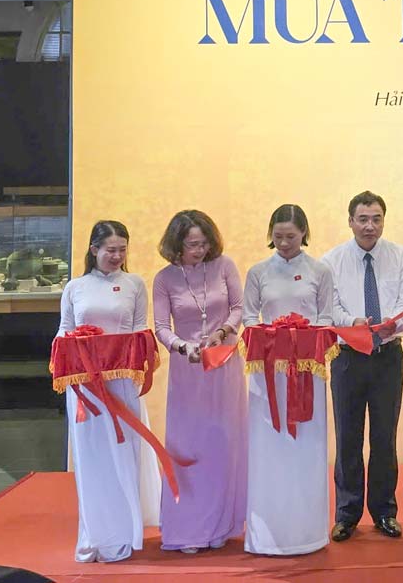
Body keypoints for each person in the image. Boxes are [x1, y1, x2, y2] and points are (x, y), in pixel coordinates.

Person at [56, 220, 160, 563]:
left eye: (122, 250)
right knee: (91, 457)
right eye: (110, 250)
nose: (117, 256)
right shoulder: (75, 287)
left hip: (121, 383)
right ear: (94, 250)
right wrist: (75, 349)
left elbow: (140, 332)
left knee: (123, 452)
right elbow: (63, 331)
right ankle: (95, 533)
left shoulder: (134, 284)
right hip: (84, 388)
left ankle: (125, 532)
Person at [241, 204, 335, 556]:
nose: (283, 243)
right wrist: (274, 334)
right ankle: (267, 534)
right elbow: (249, 319)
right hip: (267, 374)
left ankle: (307, 531)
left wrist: (300, 335)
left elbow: (326, 320)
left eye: (291, 237)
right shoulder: (258, 272)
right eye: (278, 236)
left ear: (304, 233)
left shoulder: (319, 271)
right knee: (269, 447)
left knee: (306, 446)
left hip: (307, 373)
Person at [151, 210, 246, 553]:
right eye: (192, 244)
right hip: (188, 370)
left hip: (223, 364)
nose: (199, 250)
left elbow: (239, 307)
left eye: (204, 243)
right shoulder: (164, 279)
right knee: (188, 446)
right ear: (176, 244)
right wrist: (182, 346)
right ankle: (188, 528)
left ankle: (221, 525)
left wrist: (223, 331)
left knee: (223, 443)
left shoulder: (225, 266)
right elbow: (162, 327)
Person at [320, 191, 403, 543]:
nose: (369, 226)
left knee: (384, 437)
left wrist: (394, 323)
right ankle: (346, 514)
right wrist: (353, 323)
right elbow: (330, 307)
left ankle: (385, 512)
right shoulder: (331, 261)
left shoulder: (400, 257)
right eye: (363, 219)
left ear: (383, 221)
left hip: (388, 355)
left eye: (376, 219)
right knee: (348, 437)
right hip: (347, 357)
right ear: (350, 221)